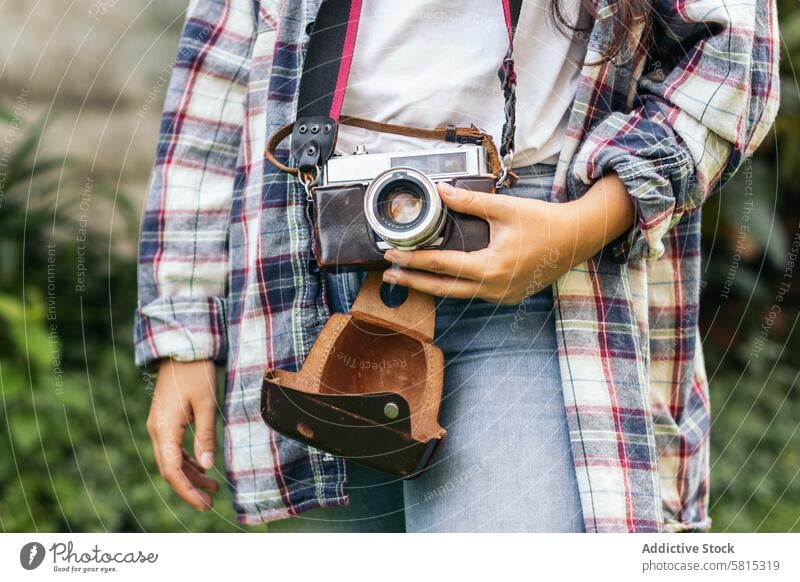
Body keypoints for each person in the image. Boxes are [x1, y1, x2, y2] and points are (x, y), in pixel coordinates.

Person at [136, 0, 780, 532]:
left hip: (536, 272)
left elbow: (733, 59)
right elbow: (216, 72)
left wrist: (583, 225)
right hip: (309, 275)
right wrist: (185, 334)